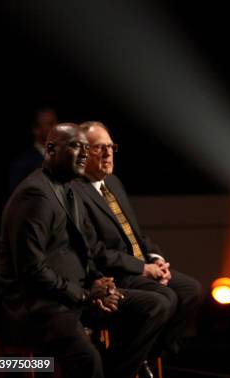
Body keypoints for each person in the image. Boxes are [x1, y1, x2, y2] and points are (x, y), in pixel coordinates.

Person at [0, 123, 170, 378]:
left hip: (73, 295)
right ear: (51, 149)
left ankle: (115, 372)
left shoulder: (67, 189)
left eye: (85, 148)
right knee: (88, 360)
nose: (83, 154)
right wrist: (84, 296)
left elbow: (81, 250)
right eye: (75, 147)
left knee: (154, 306)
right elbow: (32, 270)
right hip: (40, 306)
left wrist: (99, 284)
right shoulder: (35, 195)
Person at [73, 121, 202, 362]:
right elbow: (95, 252)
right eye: (99, 147)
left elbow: (134, 233)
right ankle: (125, 362)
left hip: (140, 264)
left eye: (111, 147)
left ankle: (149, 355)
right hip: (114, 273)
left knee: (191, 290)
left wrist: (156, 259)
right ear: (82, 152)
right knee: (166, 299)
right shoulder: (76, 192)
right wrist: (143, 268)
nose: (108, 153)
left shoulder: (113, 183)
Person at [8, 107, 58, 192]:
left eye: (56, 123)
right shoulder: (23, 164)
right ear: (36, 130)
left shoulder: (62, 158)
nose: (57, 127)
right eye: (50, 124)